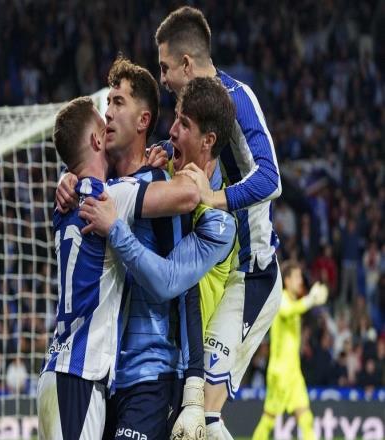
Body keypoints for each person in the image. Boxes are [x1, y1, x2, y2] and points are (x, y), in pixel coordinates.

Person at [79, 76, 238, 440]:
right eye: (175, 119)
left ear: (208, 141)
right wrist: (71, 181)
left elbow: (167, 282)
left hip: (161, 372)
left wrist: (115, 228)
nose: (172, 131)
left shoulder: (220, 223)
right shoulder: (158, 174)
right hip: (112, 371)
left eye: (184, 124)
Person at [37, 95, 200, 440]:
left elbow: (79, 172)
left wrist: (67, 176)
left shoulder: (66, 201)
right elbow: (188, 195)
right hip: (79, 374)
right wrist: (162, 162)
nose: (109, 122)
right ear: (97, 141)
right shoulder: (109, 197)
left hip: (63, 369)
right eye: (104, 127)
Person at [155, 6, 283, 439]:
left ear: (186, 64)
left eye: (165, 67)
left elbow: (271, 178)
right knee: (192, 416)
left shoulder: (237, 100)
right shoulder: (200, 112)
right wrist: (164, 151)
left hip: (251, 276)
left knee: (203, 416)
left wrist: (216, 198)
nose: (162, 78)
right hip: (221, 272)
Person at [252, 261, 328, 440]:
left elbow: (297, 309)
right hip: (280, 372)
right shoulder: (281, 299)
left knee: (306, 417)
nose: (300, 280)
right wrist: (310, 300)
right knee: (269, 420)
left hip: (294, 373)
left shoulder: (294, 302)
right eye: (296, 277)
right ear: (287, 280)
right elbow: (288, 311)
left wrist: (310, 301)